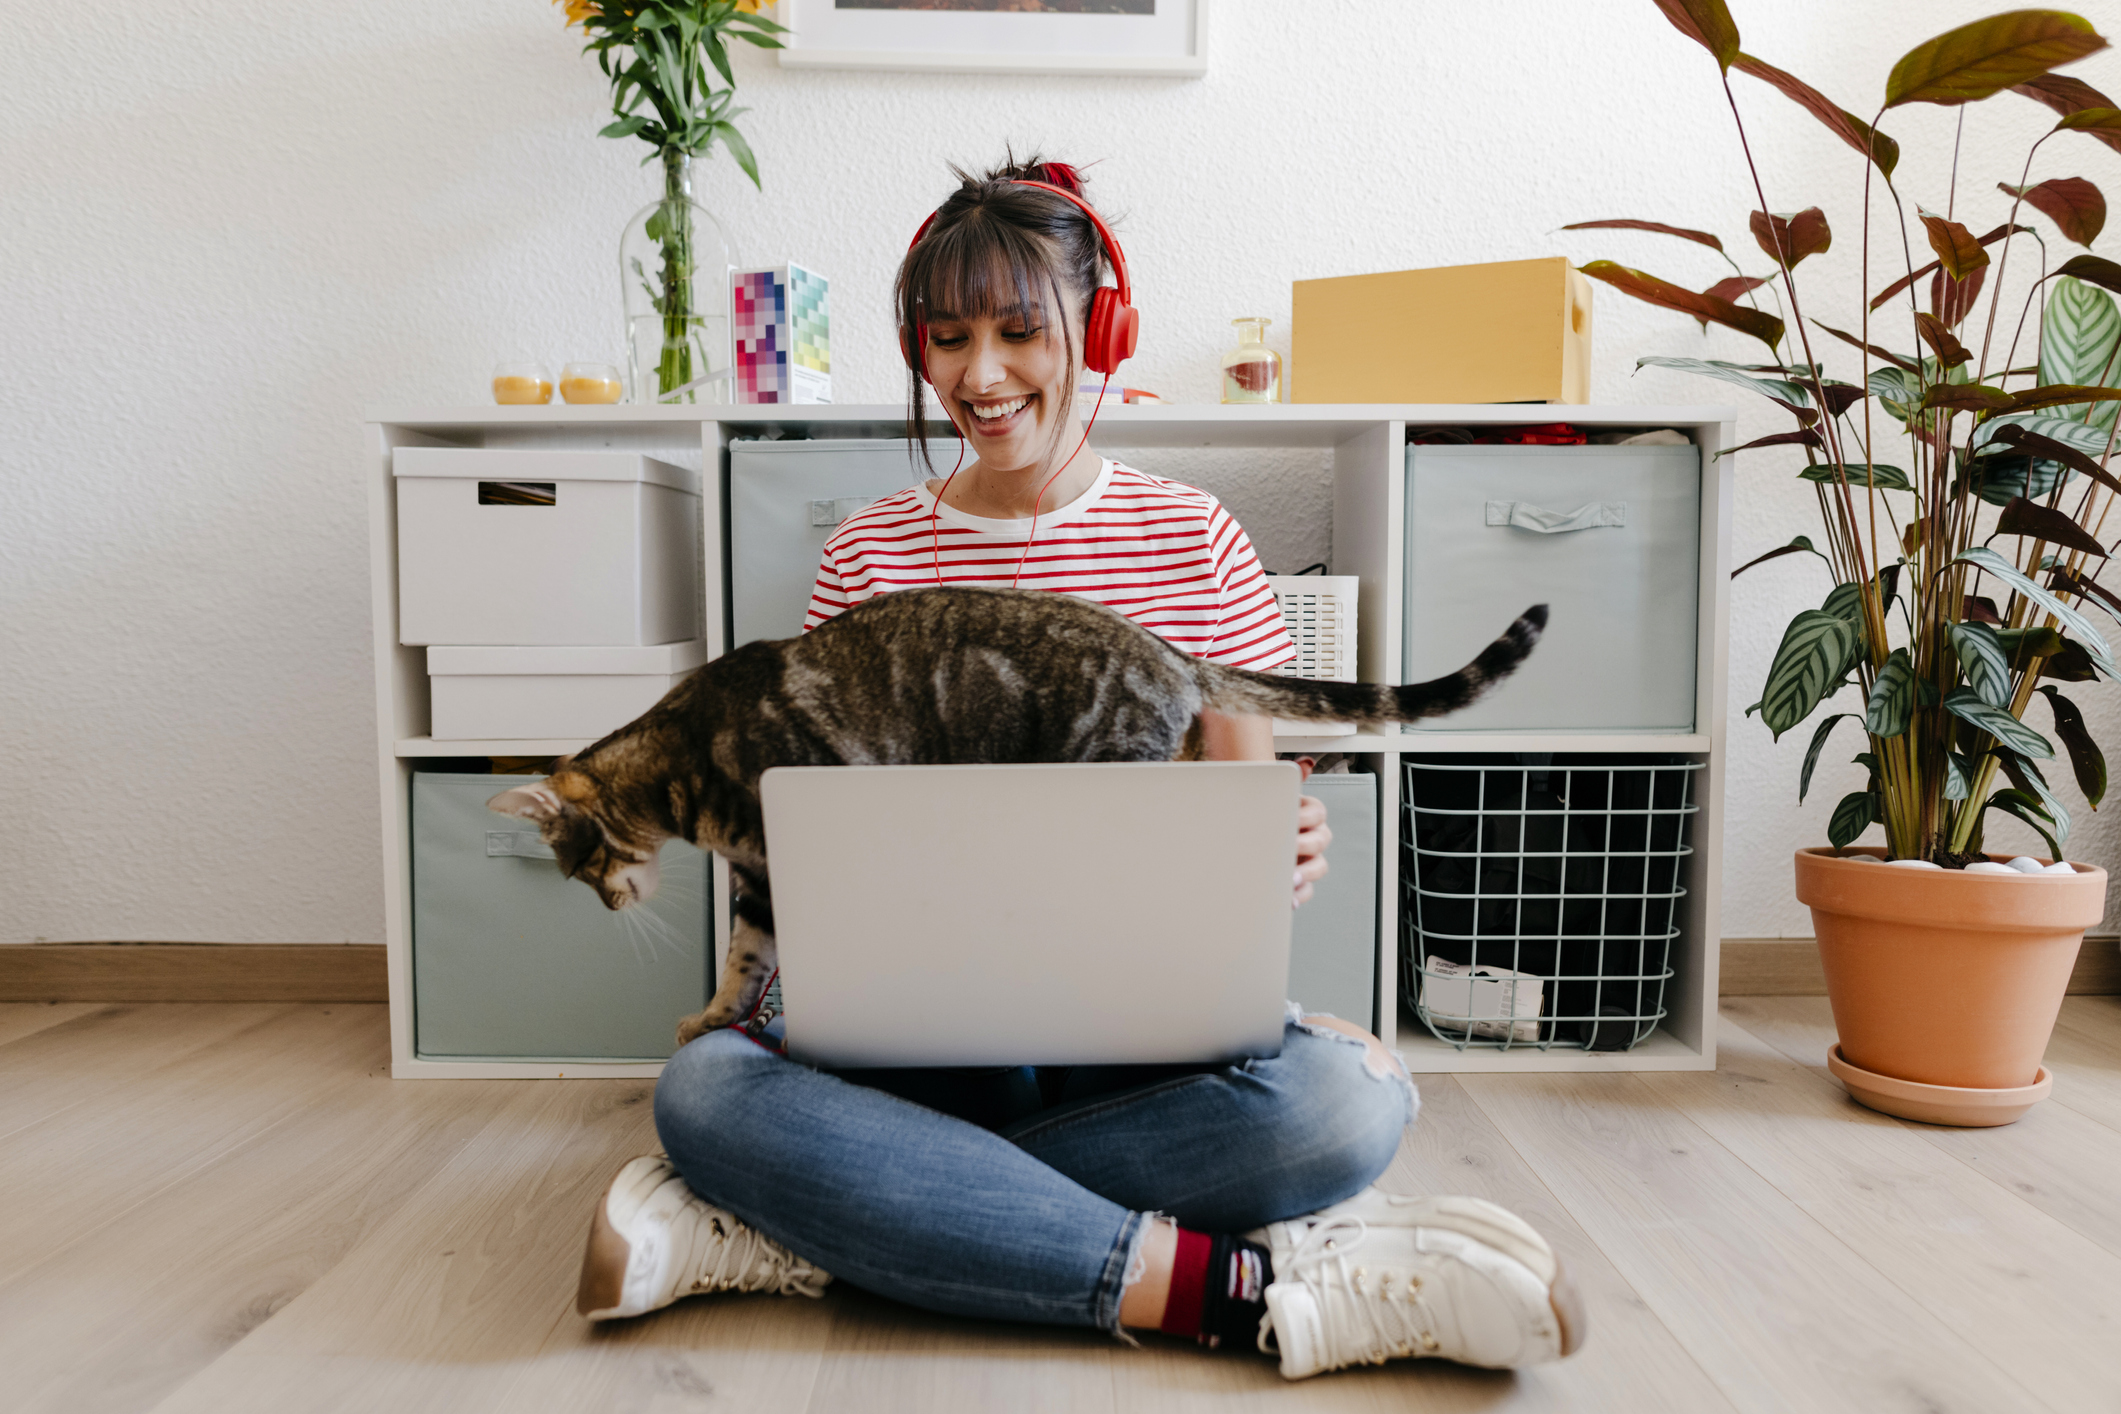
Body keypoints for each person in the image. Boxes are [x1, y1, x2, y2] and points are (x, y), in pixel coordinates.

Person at [573, 157, 1585, 1380]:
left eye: (1018, 331)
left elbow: (1256, 815)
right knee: (705, 1094)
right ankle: (1238, 1288)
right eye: (948, 339)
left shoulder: (1192, 534)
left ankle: (829, 1223)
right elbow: (815, 849)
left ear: (1096, 331)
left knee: (1350, 1100)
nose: (980, 375)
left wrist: (1277, 847)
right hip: (920, 1047)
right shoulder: (864, 555)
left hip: (1134, 1043)